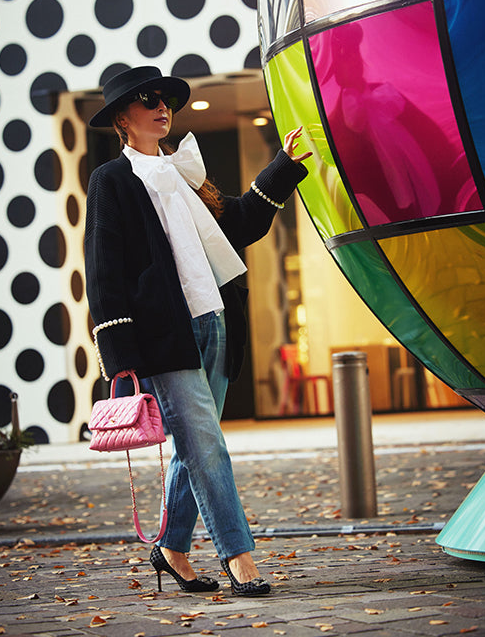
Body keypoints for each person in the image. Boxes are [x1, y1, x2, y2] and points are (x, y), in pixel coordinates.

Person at [84, 65, 310, 596]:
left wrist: (282, 166)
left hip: (215, 323)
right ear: (122, 117)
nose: (161, 107)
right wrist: (120, 357)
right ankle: (240, 555)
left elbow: (242, 221)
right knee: (206, 444)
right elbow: (104, 272)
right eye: (147, 100)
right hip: (164, 336)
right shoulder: (111, 180)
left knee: (193, 444)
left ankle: (171, 548)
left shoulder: (186, 173)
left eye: (164, 99)